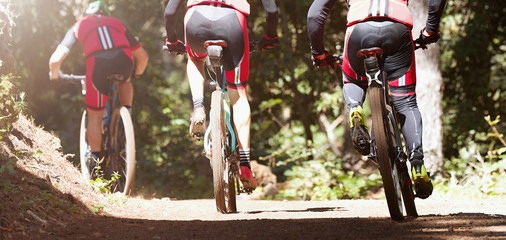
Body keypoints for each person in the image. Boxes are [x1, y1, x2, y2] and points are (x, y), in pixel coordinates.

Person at [307, 0, 446, 199]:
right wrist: (430, 31)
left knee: (352, 81)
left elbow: (314, 14)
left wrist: (318, 53)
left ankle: (355, 109)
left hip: (359, 31)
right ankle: (417, 166)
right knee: (406, 102)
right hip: (397, 30)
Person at [163, 0, 279, 190]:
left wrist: (171, 40)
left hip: (196, 19)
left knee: (194, 60)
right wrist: (270, 37)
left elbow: (170, 12)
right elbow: (272, 10)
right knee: (239, 96)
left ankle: (199, 107)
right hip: (232, 22)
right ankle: (245, 165)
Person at [49, 1, 149, 168]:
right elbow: (143, 57)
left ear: (85, 14)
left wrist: (55, 76)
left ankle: (96, 166)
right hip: (124, 61)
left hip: (98, 65)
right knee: (126, 79)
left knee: (95, 117)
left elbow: (55, 61)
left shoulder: (79, 25)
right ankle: (126, 117)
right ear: (106, 14)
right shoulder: (117, 23)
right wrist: (136, 73)